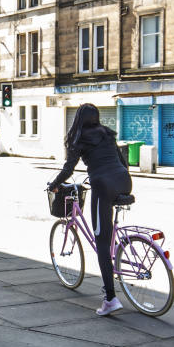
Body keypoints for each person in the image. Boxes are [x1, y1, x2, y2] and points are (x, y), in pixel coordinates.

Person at [48, 103, 132, 316]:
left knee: (101, 242)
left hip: (103, 185)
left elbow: (69, 169)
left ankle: (110, 298)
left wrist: (54, 184)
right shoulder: (107, 134)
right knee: (107, 233)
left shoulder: (79, 138)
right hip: (124, 180)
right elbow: (123, 162)